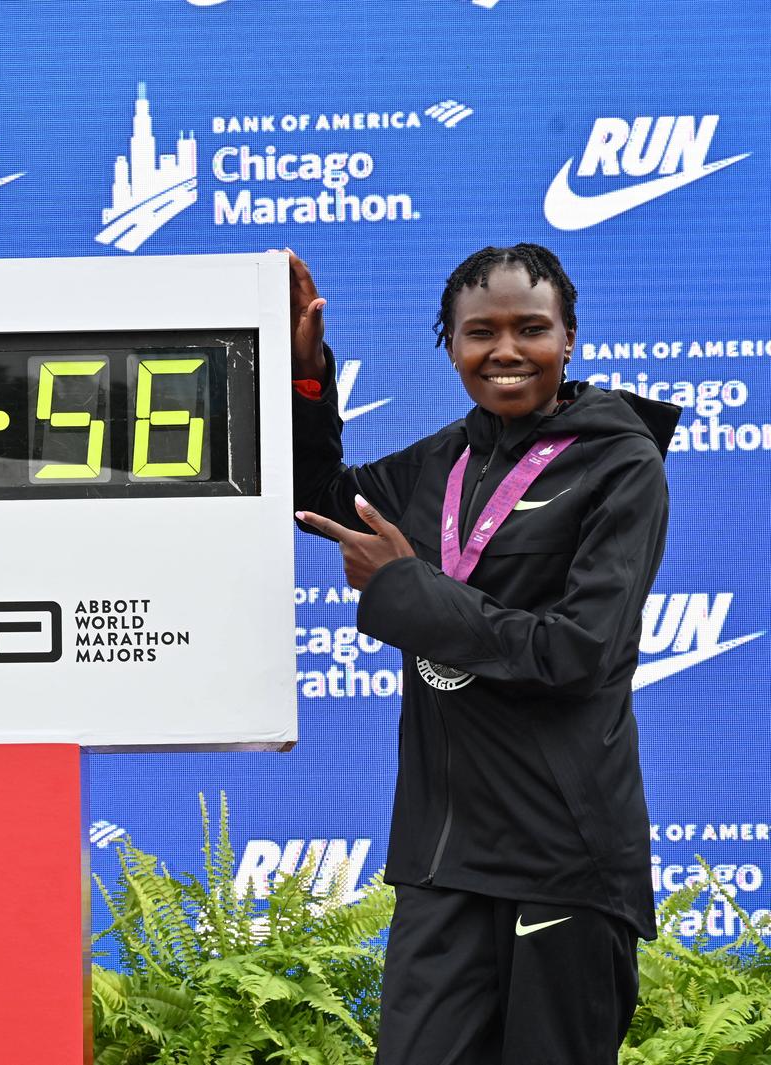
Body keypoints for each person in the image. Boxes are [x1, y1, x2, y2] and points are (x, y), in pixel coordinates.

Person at [288, 244, 680, 1065]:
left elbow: (579, 651)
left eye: (530, 328)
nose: (505, 350)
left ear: (568, 338)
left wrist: (405, 591)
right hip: (443, 862)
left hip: (562, 859)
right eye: (480, 332)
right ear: (452, 345)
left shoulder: (620, 464)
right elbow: (315, 497)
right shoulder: (441, 461)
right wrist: (306, 380)